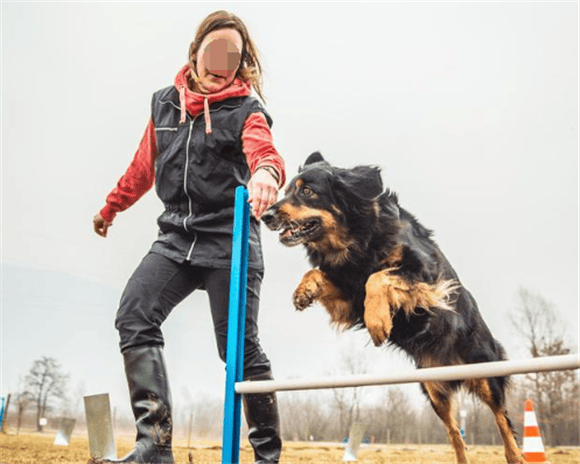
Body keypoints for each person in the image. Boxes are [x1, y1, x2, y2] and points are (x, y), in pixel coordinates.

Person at [92, 10, 285, 464]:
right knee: (134, 316)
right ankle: (155, 446)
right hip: (176, 237)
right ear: (195, 51)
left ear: (240, 64)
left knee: (238, 349)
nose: (220, 69)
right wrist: (110, 208)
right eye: (213, 54)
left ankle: (266, 457)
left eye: (231, 60)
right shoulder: (163, 104)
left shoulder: (247, 110)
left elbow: (266, 154)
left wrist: (265, 175)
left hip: (230, 241)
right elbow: (144, 168)